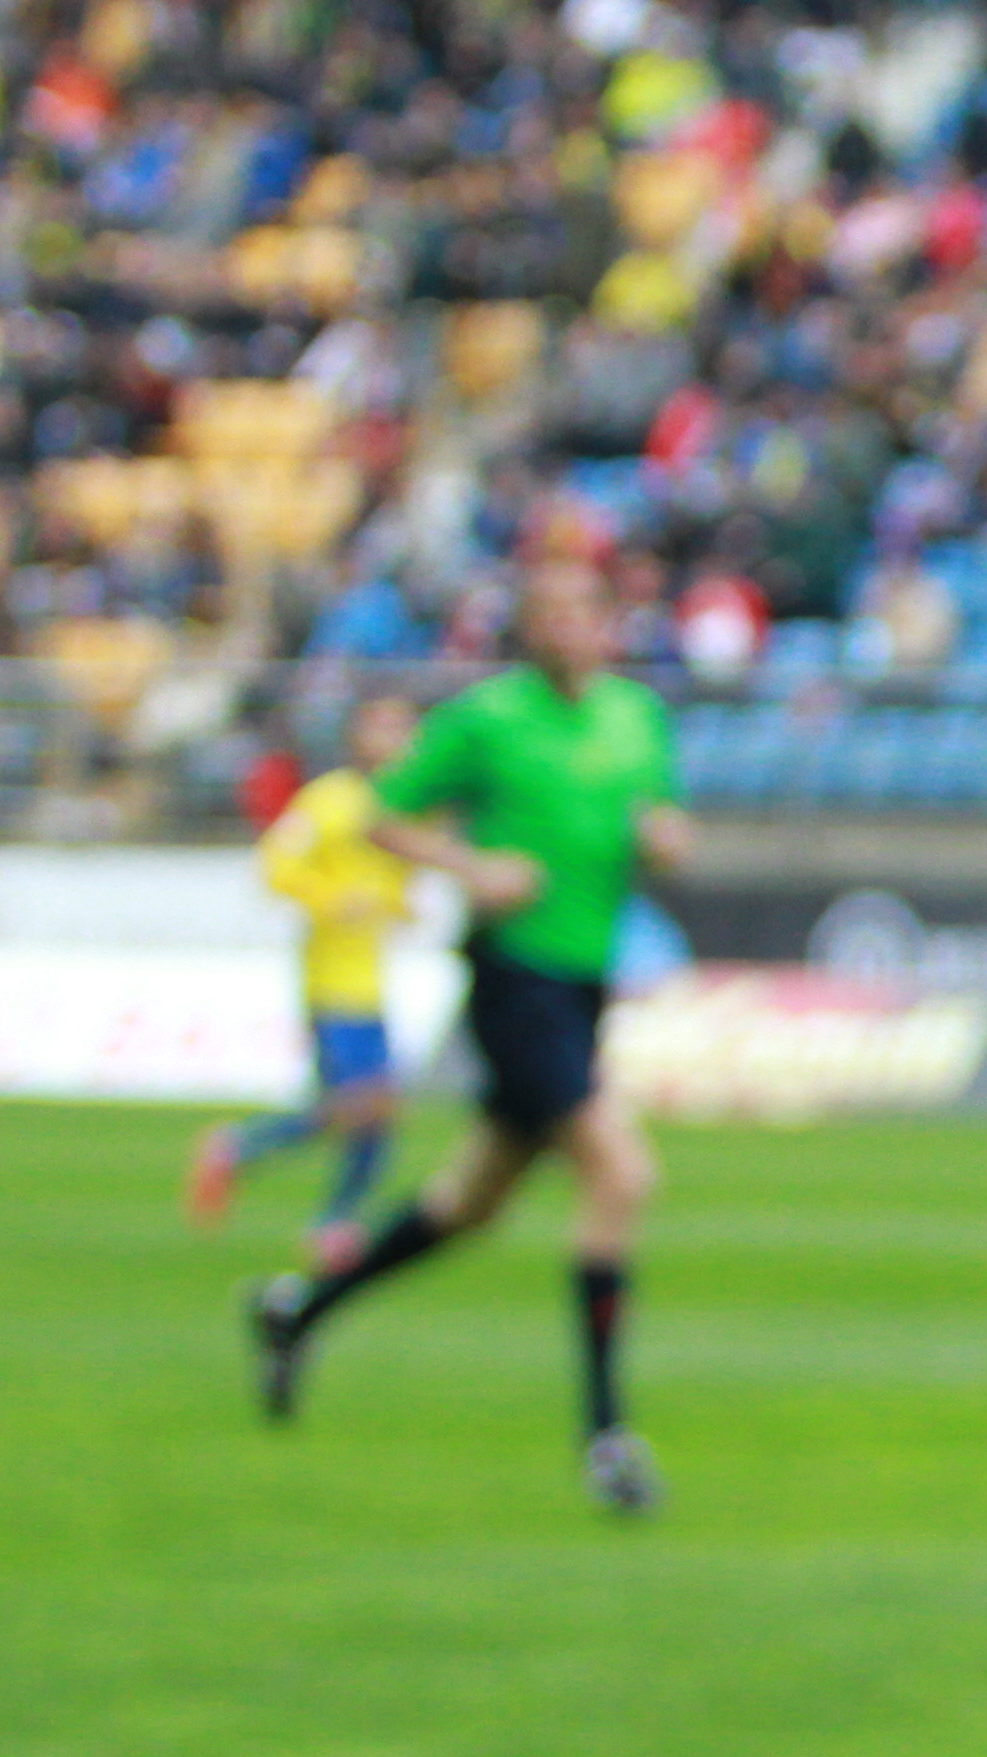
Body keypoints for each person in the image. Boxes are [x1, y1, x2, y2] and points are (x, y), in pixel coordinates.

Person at [247, 557, 692, 1513]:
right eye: (552, 612)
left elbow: (656, 822)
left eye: (586, 610)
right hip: (513, 979)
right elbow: (381, 816)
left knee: (471, 1202)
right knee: (621, 1174)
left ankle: (297, 1313)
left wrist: (663, 842)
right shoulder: (488, 720)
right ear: (530, 629)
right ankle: (606, 1436)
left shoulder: (634, 718)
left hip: (583, 981)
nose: (571, 628)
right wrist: (468, 865)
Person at [189, 695, 422, 1269]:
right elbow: (275, 863)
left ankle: (246, 1156)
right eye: (382, 724)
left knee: (357, 1105)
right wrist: (332, 901)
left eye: (402, 726)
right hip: (332, 978)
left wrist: (396, 905)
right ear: (357, 736)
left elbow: (395, 881)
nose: (394, 738)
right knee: (371, 1101)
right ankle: (329, 1218)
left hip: (371, 977)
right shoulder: (329, 800)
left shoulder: (406, 804)